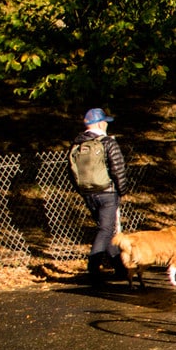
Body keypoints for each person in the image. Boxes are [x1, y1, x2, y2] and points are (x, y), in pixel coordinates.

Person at [69, 107, 130, 283]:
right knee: (105, 229)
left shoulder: (77, 145)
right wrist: (122, 190)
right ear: (100, 123)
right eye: (105, 122)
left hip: (88, 194)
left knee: (107, 230)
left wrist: (82, 191)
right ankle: (93, 266)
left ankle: (120, 269)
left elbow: (71, 172)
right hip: (107, 193)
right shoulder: (107, 142)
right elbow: (118, 169)